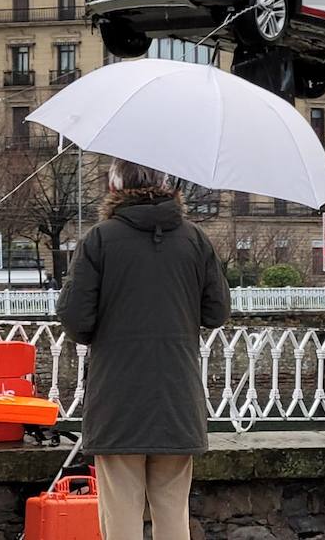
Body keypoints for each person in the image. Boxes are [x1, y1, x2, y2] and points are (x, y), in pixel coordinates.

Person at [56, 158, 231, 540]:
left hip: (117, 399)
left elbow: (75, 319)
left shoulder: (100, 239)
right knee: (173, 511)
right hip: (177, 396)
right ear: (166, 186)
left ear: (116, 187)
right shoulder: (194, 239)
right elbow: (217, 312)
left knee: (120, 512)